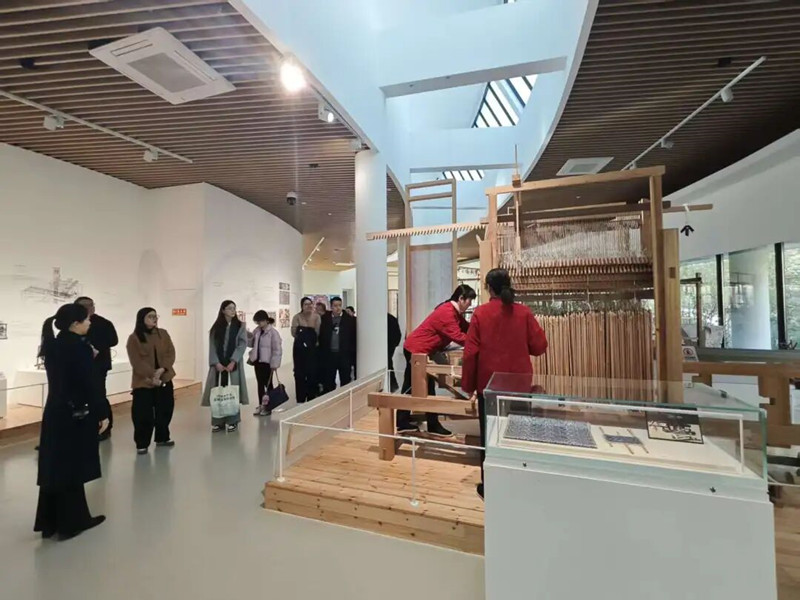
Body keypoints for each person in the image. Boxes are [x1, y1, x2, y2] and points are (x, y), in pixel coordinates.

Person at [462, 268, 548, 499]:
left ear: (489, 288)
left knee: (490, 438)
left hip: (489, 387)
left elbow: (470, 354)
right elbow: (540, 346)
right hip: (520, 387)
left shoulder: (480, 314)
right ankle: (518, 483)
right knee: (518, 435)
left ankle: (491, 487)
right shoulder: (524, 312)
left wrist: (468, 386)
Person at [34, 303, 110, 540]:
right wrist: (101, 413)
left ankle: (49, 522)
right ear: (75, 324)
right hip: (75, 412)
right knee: (72, 468)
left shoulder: (53, 345)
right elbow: (89, 384)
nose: (89, 323)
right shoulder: (78, 348)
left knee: (55, 466)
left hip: (55, 411)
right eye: (86, 320)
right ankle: (72, 522)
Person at [399, 284, 477, 437]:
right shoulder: (447, 312)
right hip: (416, 350)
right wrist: (478, 343)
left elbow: (466, 327)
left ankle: (405, 420)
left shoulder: (453, 312)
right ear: (461, 299)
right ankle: (424, 424)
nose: (470, 305)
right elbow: (458, 336)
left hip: (421, 350)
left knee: (416, 387)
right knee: (419, 388)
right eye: (469, 301)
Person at [126, 307, 177, 454]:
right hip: (143, 381)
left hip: (164, 377)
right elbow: (136, 361)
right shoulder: (134, 338)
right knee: (143, 414)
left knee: (165, 409)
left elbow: (171, 353)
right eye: (150, 316)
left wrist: (162, 369)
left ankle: (162, 437)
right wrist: (152, 375)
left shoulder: (163, 334)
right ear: (142, 319)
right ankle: (142, 443)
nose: (154, 319)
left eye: (155, 316)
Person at [201, 300, 249, 432]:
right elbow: (212, 346)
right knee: (218, 392)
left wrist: (233, 361)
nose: (232, 311)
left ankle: (233, 420)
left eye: (234, 308)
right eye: (229, 308)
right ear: (223, 310)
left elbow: (242, 344)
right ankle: (218, 421)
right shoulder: (216, 327)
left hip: (233, 366)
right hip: (218, 366)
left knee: (232, 392)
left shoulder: (240, 326)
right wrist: (216, 363)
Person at [75, 296, 118, 441]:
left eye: (90, 305)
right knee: (82, 396)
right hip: (80, 366)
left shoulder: (103, 323)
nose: (88, 308)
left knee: (98, 395)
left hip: (98, 365)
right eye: (83, 306)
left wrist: (96, 347)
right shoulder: (75, 323)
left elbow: (113, 340)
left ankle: (105, 427)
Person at [319, 296, 357, 393]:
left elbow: (353, 337)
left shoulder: (349, 319)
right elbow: (321, 336)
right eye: (335, 306)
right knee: (329, 380)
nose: (338, 308)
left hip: (344, 355)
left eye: (340, 305)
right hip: (329, 354)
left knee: (345, 380)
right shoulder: (325, 319)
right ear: (331, 307)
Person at [248, 311, 282, 416]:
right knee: (260, 384)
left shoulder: (273, 333)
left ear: (266, 320)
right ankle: (261, 405)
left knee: (268, 385)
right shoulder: (257, 331)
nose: (259, 323)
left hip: (267, 363)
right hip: (258, 361)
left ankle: (268, 407)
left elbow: (277, 350)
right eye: (257, 322)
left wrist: (274, 364)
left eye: (260, 321)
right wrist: (247, 336)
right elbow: (251, 344)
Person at [291, 297, 321, 403]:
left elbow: (318, 332)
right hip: (299, 350)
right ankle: (300, 400)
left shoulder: (316, 317)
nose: (308, 306)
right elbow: (294, 332)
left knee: (312, 373)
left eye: (310, 304)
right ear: (302, 306)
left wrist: (306, 335)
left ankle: (311, 398)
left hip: (312, 349)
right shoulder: (297, 317)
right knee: (299, 374)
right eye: (306, 304)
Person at [387, 312, 402, 392]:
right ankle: (393, 385)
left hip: (387, 345)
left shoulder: (382, 319)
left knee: (388, 364)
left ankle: (392, 385)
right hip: (391, 345)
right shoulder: (392, 318)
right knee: (389, 363)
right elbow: (398, 334)